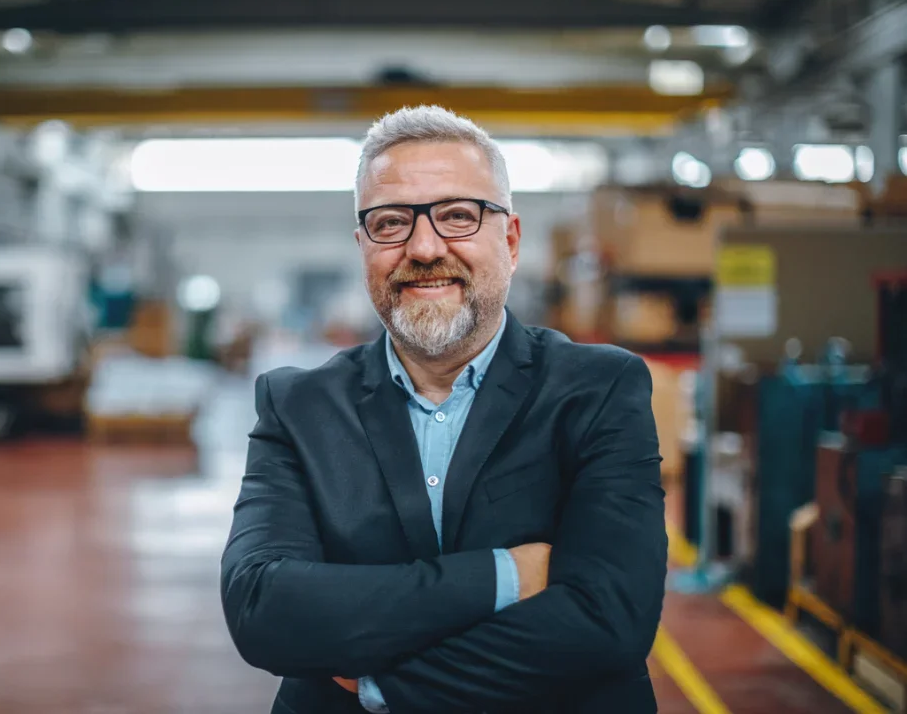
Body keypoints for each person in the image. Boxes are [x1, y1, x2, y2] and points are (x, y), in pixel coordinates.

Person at [221, 105, 668, 714]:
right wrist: (505, 575)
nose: (424, 247)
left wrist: (380, 683)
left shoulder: (598, 389)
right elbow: (262, 608)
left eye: (457, 216)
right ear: (363, 246)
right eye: (390, 223)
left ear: (509, 239)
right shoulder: (297, 407)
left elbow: (609, 618)